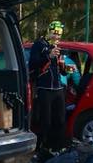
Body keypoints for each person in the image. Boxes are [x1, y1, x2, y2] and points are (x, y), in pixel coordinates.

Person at [29, 21, 68, 153]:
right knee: (46, 121)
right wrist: (48, 56)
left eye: (59, 35)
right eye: (55, 33)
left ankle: (57, 147)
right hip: (44, 88)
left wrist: (65, 68)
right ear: (49, 31)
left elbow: (60, 70)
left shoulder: (56, 47)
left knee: (60, 120)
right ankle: (42, 148)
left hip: (58, 88)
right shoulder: (39, 45)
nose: (57, 37)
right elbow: (33, 64)